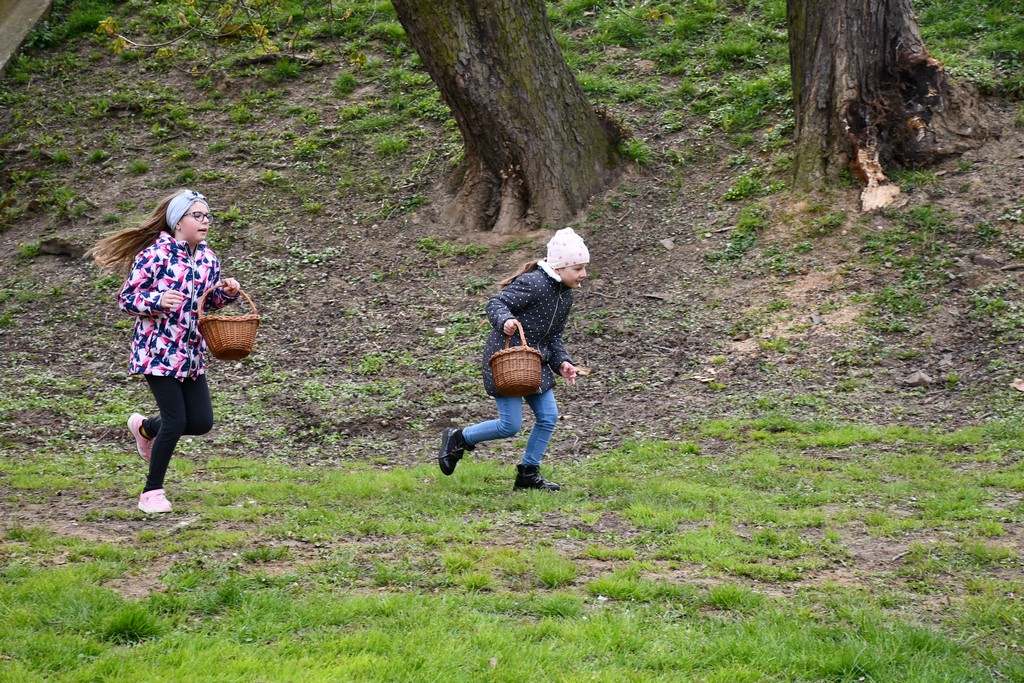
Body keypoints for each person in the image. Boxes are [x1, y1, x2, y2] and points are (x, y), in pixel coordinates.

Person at [88, 189, 240, 513]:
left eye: (207, 216)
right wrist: (156, 302)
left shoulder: (209, 259)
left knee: (200, 422)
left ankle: (145, 428)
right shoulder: (154, 255)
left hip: (192, 354)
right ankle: (151, 493)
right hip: (156, 352)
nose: (204, 221)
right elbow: (126, 299)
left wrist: (226, 294)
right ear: (177, 221)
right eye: (196, 216)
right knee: (175, 420)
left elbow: (206, 304)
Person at [438, 227, 589, 491]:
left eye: (584, 268)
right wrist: (505, 320)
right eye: (578, 268)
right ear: (561, 267)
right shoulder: (534, 283)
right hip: (507, 361)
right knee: (510, 425)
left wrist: (562, 362)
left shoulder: (566, 295)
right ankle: (459, 438)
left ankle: (528, 475)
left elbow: (553, 337)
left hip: (536, 363)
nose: (583, 274)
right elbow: (496, 303)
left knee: (549, 416)